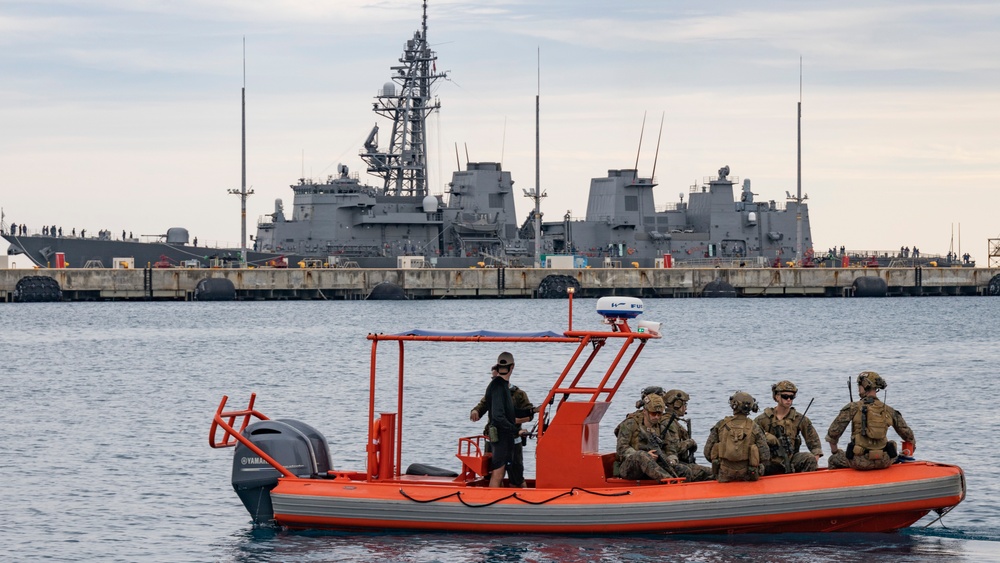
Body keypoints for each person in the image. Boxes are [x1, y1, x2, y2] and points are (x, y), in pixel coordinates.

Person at [826, 371, 915, 471]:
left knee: (833, 459)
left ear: (864, 385)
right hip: (884, 461)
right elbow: (909, 436)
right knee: (892, 443)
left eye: (859, 385)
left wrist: (835, 452)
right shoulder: (888, 409)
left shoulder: (853, 407)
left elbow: (833, 433)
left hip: (859, 462)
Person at [471, 367, 537, 487]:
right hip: (493, 438)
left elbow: (529, 414)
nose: (495, 381)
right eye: (493, 378)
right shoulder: (492, 392)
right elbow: (482, 405)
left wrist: (514, 420)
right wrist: (475, 411)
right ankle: (495, 498)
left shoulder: (519, 394)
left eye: (497, 377)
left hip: (513, 438)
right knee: (493, 474)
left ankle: (521, 499)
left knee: (516, 475)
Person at [755, 381, 822, 475]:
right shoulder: (763, 419)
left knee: (809, 458)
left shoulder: (799, 419)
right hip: (770, 461)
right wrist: (766, 436)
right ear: (777, 397)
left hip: (791, 459)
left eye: (792, 397)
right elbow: (751, 439)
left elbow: (814, 442)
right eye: (785, 396)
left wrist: (815, 459)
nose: (789, 399)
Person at [705, 391, 769, 482]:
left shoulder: (721, 425)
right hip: (748, 476)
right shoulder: (754, 427)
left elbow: (707, 452)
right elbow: (765, 456)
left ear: (733, 405)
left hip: (724, 475)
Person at [615, 394, 674, 481]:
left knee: (683, 469)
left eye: (659, 414)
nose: (657, 417)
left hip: (653, 466)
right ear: (645, 411)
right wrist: (646, 456)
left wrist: (672, 459)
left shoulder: (660, 427)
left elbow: (670, 449)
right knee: (641, 456)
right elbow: (621, 448)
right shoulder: (630, 424)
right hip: (629, 467)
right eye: (653, 413)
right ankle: (670, 482)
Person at [482, 352, 519, 487]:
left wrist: (533, 410)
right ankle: (492, 501)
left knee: (501, 471)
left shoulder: (502, 385)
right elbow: (498, 416)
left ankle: (496, 497)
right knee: (498, 472)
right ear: (512, 366)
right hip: (500, 435)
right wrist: (514, 429)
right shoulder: (498, 386)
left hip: (503, 435)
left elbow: (509, 412)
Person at [660, 389, 713, 482]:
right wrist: (690, 442)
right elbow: (674, 449)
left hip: (678, 462)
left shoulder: (671, 421)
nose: (686, 408)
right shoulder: (669, 422)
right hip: (674, 464)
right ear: (677, 404)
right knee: (712, 473)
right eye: (684, 405)